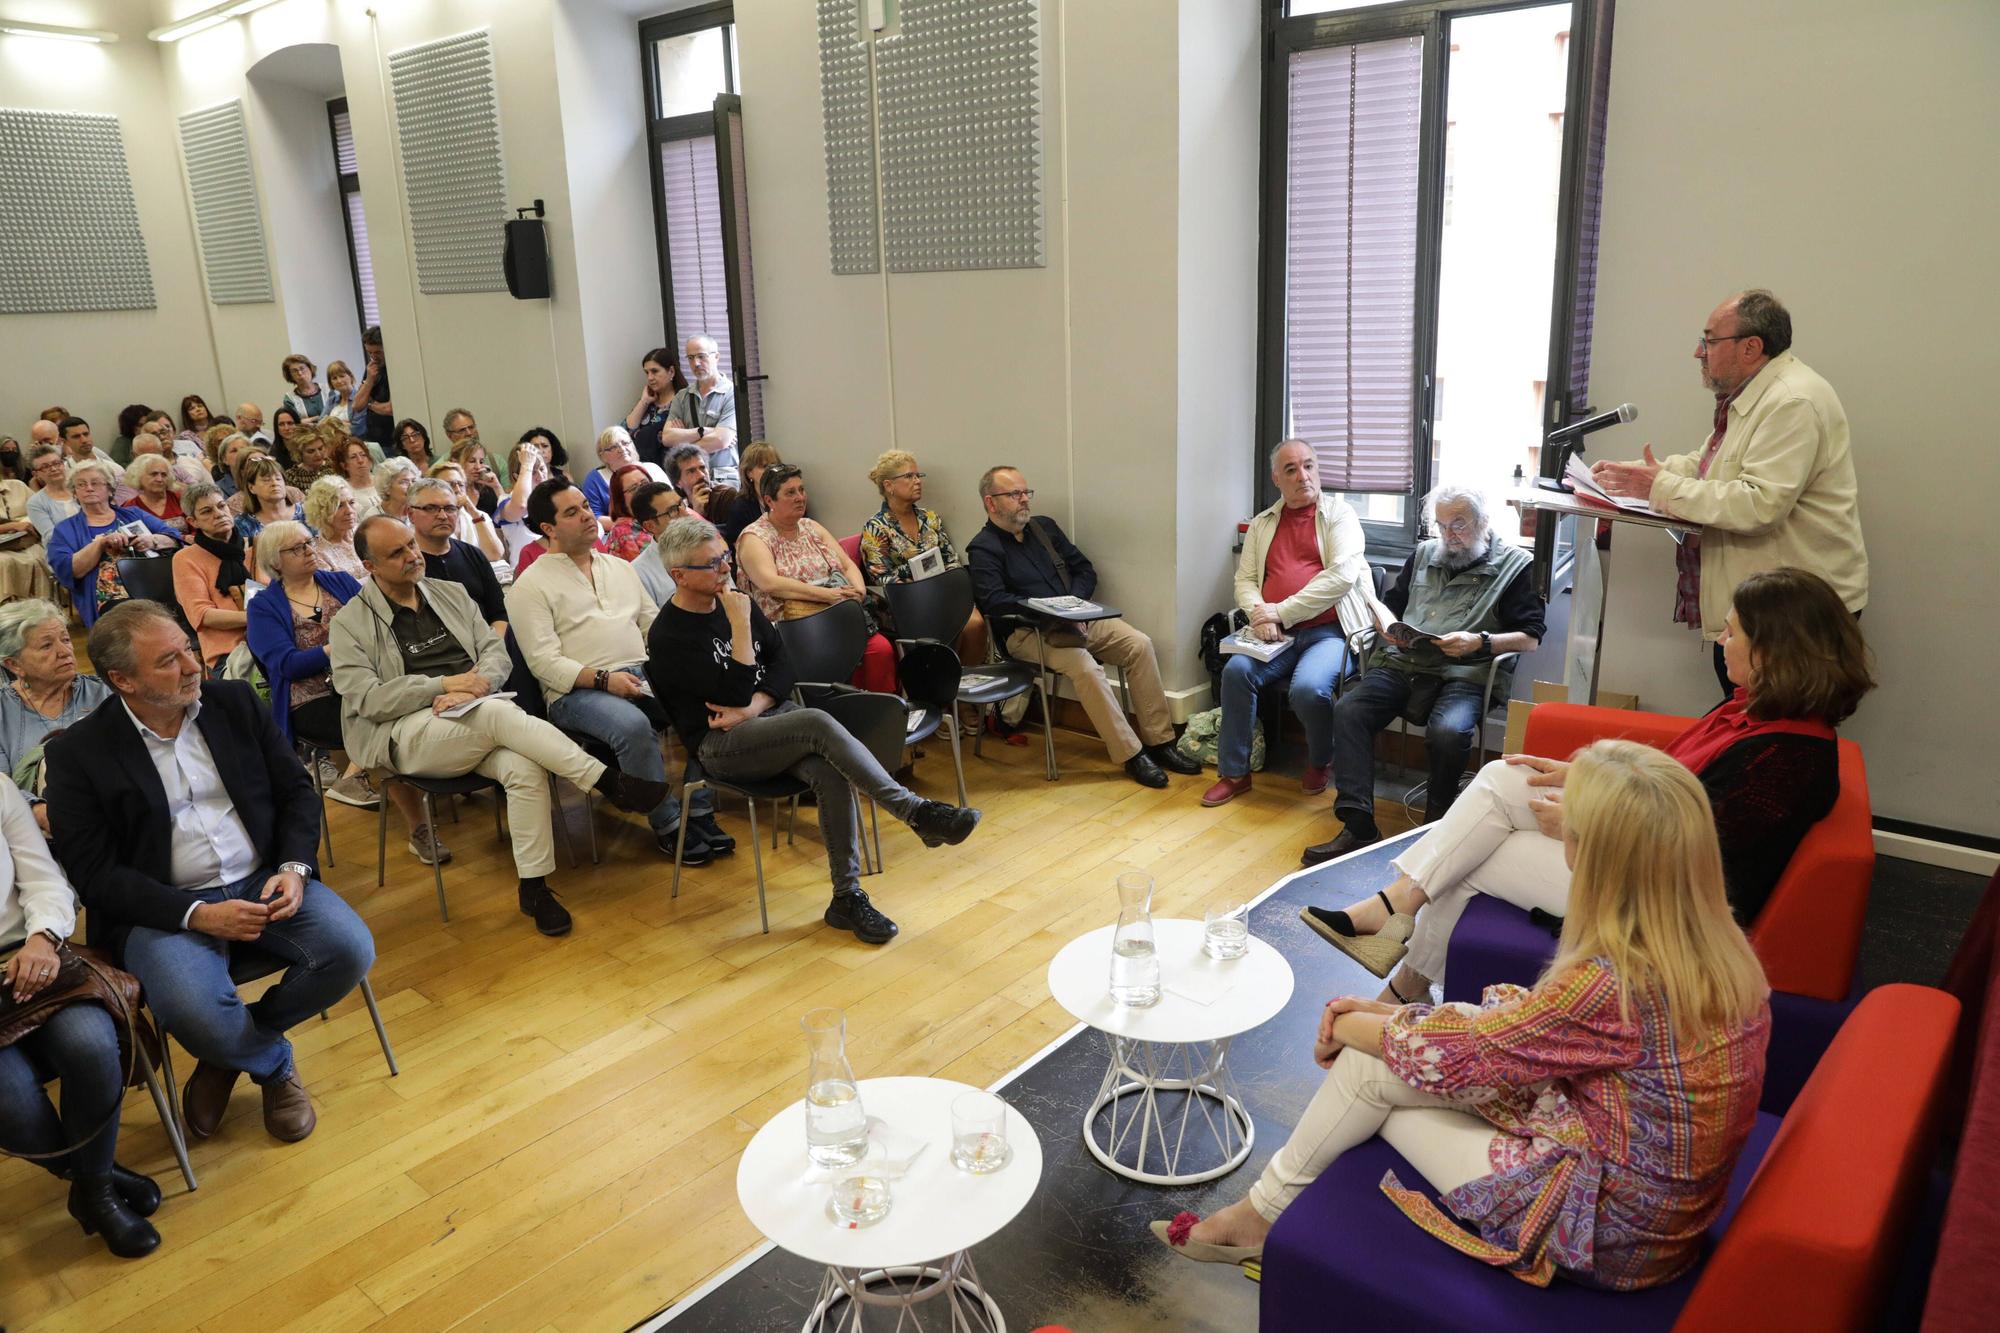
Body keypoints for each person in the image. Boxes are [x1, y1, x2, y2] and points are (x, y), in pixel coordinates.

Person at [1154, 741, 1771, 1294]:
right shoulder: (1719, 947)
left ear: (1599, 855)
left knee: (1369, 1071)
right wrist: (1388, 1021)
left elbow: (1461, 1058)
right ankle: (1259, 1216)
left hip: (1606, 1227)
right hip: (1654, 1202)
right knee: (1401, 1043)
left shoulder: (1612, 980)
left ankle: (1257, 1219)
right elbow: (1526, 1037)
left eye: (1569, 831)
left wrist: (1346, 1025)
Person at [1302, 566, 1873, 1004]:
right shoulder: (1753, 713)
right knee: (1504, 774)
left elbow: (1697, 856)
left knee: (1474, 856)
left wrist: (1587, 822)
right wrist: (1586, 776)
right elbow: (1672, 783)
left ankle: (1403, 976)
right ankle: (1395, 915)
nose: (1721, 641)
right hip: (1642, 849)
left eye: (1733, 631)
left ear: (1771, 652)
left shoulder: (1790, 759)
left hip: (1667, 902)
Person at [45, 601, 375, 1149]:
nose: (194, 666)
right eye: (169, 661)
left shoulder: (233, 702)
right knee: (193, 1013)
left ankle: (228, 1056)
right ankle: (271, 1065)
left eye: (189, 649)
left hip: (262, 881)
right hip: (165, 908)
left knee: (350, 951)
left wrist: (294, 868)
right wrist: (196, 914)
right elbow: (94, 875)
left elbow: (295, 792)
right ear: (123, 680)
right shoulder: (80, 754)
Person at [646, 516, 982, 944]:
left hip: (767, 722)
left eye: (725, 558)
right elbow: (729, 690)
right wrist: (742, 628)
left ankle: (846, 896)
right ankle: (914, 812)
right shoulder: (670, 635)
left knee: (827, 770)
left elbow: (784, 667)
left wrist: (755, 705)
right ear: (679, 575)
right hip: (721, 746)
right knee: (817, 721)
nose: (726, 569)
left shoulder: (737, 603)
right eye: (711, 565)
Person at [328, 516, 666, 936]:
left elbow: (496, 652)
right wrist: (445, 684)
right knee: (496, 715)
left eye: (411, 545)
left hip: (476, 710)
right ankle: (605, 780)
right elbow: (367, 699)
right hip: (405, 732)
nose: (412, 556)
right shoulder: (350, 623)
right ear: (369, 565)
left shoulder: (450, 594)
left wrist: (476, 686)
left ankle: (535, 888)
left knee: (523, 769)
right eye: (396, 553)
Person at [1592, 290, 1868, 697]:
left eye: (1709, 340)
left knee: (1777, 739)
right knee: (1748, 729)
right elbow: (1712, 467)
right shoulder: (1755, 395)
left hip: (1796, 615)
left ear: (1751, 348)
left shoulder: (1792, 402)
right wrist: (1649, 473)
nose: (1697, 352)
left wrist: (1660, 486)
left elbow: (1759, 504)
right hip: (1764, 609)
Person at [1301, 485, 1545, 865]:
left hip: (1467, 671)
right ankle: (1358, 823)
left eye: (1459, 526)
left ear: (1483, 523)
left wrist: (1478, 642)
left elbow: (1529, 638)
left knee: (1448, 731)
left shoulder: (1516, 565)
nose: (1449, 536)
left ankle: (1435, 830)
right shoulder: (1425, 554)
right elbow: (1393, 606)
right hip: (1405, 663)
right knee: (1350, 710)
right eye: (1442, 525)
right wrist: (1388, 627)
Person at [507, 480, 727, 864]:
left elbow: (653, 627)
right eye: (571, 512)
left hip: (640, 674)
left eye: (585, 507)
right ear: (548, 529)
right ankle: (669, 824)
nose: (587, 516)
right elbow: (543, 662)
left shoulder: (619, 568)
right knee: (631, 727)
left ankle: (699, 807)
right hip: (576, 692)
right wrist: (605, 680)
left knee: (711, 701)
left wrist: (679, 666)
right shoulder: (530, 585)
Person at [0, 771, 163, 1258]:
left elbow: (44, 878)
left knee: (92, 1046)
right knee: (12, 1104)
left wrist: (43, 938)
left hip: (31, 953)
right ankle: (96, 1182)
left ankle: (95, 1190)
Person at [966, 466, 1198, 788]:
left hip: (1077, 619)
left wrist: (1074, 605)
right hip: (1027, 632)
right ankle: (1131, 755)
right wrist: (1051, 612)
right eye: (1014, 494)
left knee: (1139, 644)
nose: (1024, 500)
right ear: (991, 504)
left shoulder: (1044, 528)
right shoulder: (983, 548)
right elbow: (994, 603)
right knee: (1085, 667)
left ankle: (1160, 743)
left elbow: (1084, 569)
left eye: (1026, 492)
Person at [246, 522, 444, 851]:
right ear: (275, 561)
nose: (309, 551)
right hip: (312, 699)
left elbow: (380, 623)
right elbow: (285, 665)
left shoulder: (338, 581)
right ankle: (419, 827)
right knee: (379, 720)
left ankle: (429, 774)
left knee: (411, 697)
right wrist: (336, 648)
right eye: (296, 548)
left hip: (365, 681)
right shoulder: (263, 606)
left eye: (308, 543)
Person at [1203, 441, 1372, 807]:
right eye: (1291, 470)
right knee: (1236, 672)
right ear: (1276, 478)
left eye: (1308, 466)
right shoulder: (1264, 524)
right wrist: (1260, 613)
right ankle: (1235, 773)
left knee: (1309, 689)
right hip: (1274, 633)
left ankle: (1319, 759)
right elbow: (1244, 581)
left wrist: (1281, 611)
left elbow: (1340, 578)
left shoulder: (1341, 516)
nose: (1303, 476)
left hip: (1331, 630)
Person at [738, 464, 899, 695]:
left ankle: (881, 716)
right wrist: (828, 595)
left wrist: (859, 591)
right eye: (790, 492)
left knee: (880, 650)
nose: (800, 497)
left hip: (838, 615)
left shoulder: (810, 526)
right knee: (836, 657)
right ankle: (845, 719)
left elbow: (846, 564)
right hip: (795, 629)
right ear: (769, 501)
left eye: (801, 490)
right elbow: (770, 583)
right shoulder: (755, 537)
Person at [859, 449, 987, 665]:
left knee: (976, 624)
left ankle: (964, 692)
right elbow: (880, 579)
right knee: (949, 628)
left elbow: (951, 559)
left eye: (918, 476)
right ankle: (944, 691)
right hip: (907, 603)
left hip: (944, 593)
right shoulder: (876, 527)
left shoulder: (930, 518)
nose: (917, 481)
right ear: (889, 486)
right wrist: (915, 575)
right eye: (909, 476)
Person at [0, 600, 113, 835]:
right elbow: (2, 787)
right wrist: (38, 810)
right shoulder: (3, 710)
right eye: (46, 646)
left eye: (66, 639)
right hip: (29, 829)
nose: (64, 652)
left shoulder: (104, 693)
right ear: (14, 664)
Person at [48, 460, 181, 629]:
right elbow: (68, 569)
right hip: (110, 596)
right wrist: (100, 544)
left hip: (151, 585)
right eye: (81, 485)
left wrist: (152, 540)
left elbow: (174, 538)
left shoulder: (133, 514)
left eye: (95, 483)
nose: (89, 488)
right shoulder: (65, 529)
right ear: (74, 493)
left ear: (110, 489)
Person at [173, 483, 262, 669]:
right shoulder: (185, 559)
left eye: (222, 506)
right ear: (192, 521)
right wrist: (258, 616)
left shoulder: (258, 547)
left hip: (273, 637)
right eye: (206, 511)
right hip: (230, 653)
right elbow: (203, 615)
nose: (218, 514)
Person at [407, 478, 509, 634]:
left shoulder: (473, 554)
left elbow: (499, 613)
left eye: (449, 508)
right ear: (411, 514)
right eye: (431, 508)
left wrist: (494, 648)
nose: (442, 516)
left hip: (489, 644)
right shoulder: (407, 563)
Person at [659, 334, 740, 486]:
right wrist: (703, 431)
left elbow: (721, 440)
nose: (696, 363)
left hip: (724, 478)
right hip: (691, 478)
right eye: (690, 358)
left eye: (701, 356)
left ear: (716, 357)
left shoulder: (732, 393)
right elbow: (667, 437)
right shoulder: (682, 397)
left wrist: (683, 443)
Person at [581, 426, 669, 519]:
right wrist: (633, 524)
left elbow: (671, 498)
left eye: (625, 443)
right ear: (602, 455)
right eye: (613, 447)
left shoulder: (653, 468)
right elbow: (595, 517)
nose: (622, 449)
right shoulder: (594, 479)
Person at [426, 461, 504, 561]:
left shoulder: (479, 516)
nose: (458, 489)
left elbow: (494, 555)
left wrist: (474, 513)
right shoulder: (426, 520)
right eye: (451, 485)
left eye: (461, 484)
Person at [0, 457, 53, 602]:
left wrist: (29, 523)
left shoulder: (18, 486)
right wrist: (11, 526)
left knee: (41, 555)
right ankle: (9, 609)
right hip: (2, 548)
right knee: (4, 562)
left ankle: (46, 605)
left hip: (28, 540)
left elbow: (41, 508)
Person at [625, 346, 688, 467]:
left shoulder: (683, 401)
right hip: (641, 467)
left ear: (671, 371)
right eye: (647, 373)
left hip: (670, 468)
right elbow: (628, 429)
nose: (650, 378)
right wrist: (644, 401)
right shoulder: (649, 402)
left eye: (655, 371)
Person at [629, 482, 689, 606]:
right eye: (673, 511)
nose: (685, 513)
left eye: (681, 504)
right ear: (650, 526)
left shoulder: (708, 546)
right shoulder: (639, 572)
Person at [231, 452, 304, 545]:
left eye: (278, 479)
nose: (274, 483)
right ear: (251, 488)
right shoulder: (243, 524)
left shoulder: (307, 512)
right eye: (266, 480)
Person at [719, 441, 780, 548]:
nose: (771, 470)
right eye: (764, 466)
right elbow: (741, 548)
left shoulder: (788, 497)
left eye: (774, 465)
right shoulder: (740, 507)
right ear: (749, 473)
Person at [305, 476, 364, 578]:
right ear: (322, 512)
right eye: (339, 506)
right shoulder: (318, 553)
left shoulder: (366, 533)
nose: (349, 511)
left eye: (351, 503)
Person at [25, 444, 78, 546]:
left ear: (63, 464)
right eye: (45, 467)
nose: (53, 469)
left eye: (56, 463)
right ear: (36, 474)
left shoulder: (81, 489)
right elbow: (51, 536)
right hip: (64, 552)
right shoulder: (35, 503)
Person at [604, 464, 658, 562]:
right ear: (621, 499)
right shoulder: (622, 534)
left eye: (645, 483)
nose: (643, 491)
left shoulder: (660, 515)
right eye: (633, 488)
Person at [353, 326, 395, 449]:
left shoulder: (394, 370)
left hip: (391, 440)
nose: (373, 357)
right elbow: (357, 405)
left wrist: (370, 403)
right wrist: (370, 380)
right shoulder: (371, 369)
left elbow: (390, 409)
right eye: (369, 352)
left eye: (377, 352)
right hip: (372, 439)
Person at [665, 443, 716, 518]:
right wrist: (697, 513)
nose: (702, 475)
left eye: (702, 468)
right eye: (691, 471)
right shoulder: (677, 509)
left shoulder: (725, 495)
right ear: (678, 483)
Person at [335, 434, 381, 517]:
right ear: (344, 465)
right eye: (353, 457)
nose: (360, 460)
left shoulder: (383, 481)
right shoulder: (344, 491)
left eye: (363, 455)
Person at [279, 353, 327, 421]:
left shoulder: (327, 389)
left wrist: (309, 420)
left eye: (302, 368)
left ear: (310, 369)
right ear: (290, 376)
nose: (300, 373)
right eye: (294, 371)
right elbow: (293, 423)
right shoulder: (290, 398)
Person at [372, 456, 420, 524]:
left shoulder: (420, 511)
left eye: (414, 481)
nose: (411, 486)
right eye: (404, 482)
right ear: (387, 488)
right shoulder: (373, 518)